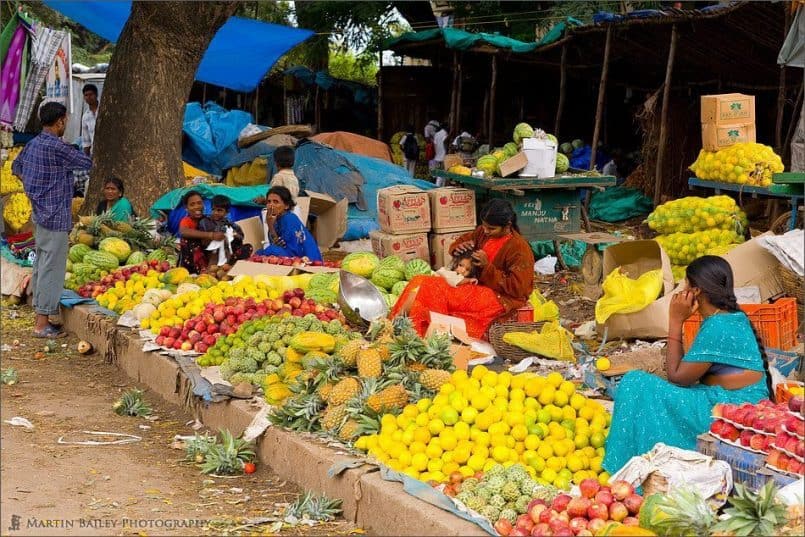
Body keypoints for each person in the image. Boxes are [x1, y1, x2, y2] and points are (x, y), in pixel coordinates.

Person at [603, 256, 772, 473]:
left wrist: (675, 321)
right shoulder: (730, 317)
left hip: (731, 412)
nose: (681, 291)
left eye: (685, 285)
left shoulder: (718, 326)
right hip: (736, 403)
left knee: (636, 383)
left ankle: (627, 467)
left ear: (697, 291)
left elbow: (677, 376)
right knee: (650, 388)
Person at [392, 199, 535, 339]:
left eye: (491, 228)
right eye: (483, 226)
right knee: (419, 280)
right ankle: (395, 326)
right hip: (474, 284)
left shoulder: (519, 248)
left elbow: (518, 290)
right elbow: (460, 242)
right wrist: (458, 248)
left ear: (507, 225)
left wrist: (487, 267)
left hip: (499, 298)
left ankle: (416, 333)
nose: (485, 231)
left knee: (431, 288)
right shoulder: (482, 232)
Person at [12, 101, 92, 338]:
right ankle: (41, 323)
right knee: (52, 270)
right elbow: (87, 163)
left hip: (39, 214)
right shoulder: (58, 147)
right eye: (65, 120)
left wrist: (34, 186)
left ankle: (40, 316)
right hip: (56, 217)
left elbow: (16, 167)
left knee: (41, 265)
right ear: (60, 121)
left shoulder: (33, 144)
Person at [255, 186, 322, 262]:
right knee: (259, 252)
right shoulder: (275, 219)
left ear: (286, 206)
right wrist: (270, 225)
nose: (271, 205)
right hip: (289, 253)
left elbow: (293, 251)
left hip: (307, 259)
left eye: (276, 202)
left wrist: (270, 225)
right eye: (269, 202)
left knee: (271, 250)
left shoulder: (289, 219)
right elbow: (277, 243)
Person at [199, 195, 253, 266]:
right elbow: (206, 240)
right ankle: (224, 264)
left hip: (229, 252)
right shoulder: (205, 221)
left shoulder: (228, 223)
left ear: (227, 212)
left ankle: (229, 263)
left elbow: (241, 236)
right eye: (213, 209)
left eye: (219, 210)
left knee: (248, 247)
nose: (215, 212)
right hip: (213, 253)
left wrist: (234, 234)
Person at [178, 190, 223, 274]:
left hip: (210, 260)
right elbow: (183, 231)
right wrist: (210, 235)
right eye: (192, 204)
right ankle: (201, 272)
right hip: (191, 264)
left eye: (199, 203)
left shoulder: (208, 220)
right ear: (186, 208)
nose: (197, 207)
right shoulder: (186, 221)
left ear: (203, 204)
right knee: (189, 240)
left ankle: (211, 270)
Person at [81, 83, 99, 156]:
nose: (89, 97)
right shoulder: (85, 116)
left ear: (96, 95)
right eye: (86, 95)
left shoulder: (105, 110)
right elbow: (86, 141)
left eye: (91, 94)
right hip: (95, 154)